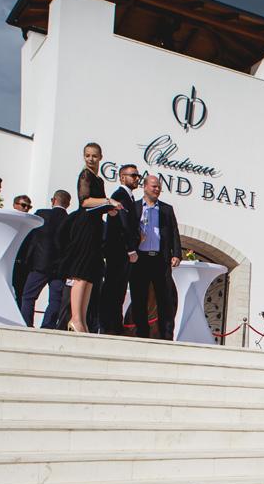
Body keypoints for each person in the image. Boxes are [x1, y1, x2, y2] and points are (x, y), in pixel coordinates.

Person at [59, 143, 121, 333]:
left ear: (100, 157)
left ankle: (82, 320)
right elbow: (85, 201)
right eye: (87, 155)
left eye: (94, 156)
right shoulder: (85, 175)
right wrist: (108, 201)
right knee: (81, 273)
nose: (91, 159)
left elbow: (97, 204)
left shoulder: (98, 179)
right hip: (84, 226)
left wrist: (109, 209)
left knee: (90, 276)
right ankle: (75, 318)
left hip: (95, 227)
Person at [126, 175, 182, 339]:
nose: (157, 189)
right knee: (139, 297)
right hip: (140, 259)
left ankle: (166, 335)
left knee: (164, 298)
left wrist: (176, 254)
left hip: (160, 259)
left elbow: (174, 232)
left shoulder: (166, 209)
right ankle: (141, 332)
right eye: (154, 186)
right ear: (145, 187)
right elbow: (127, 231)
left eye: (158, 187)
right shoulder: (135, 207)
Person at [18, 190, 71, 328]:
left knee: (28, 296)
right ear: (68, 204)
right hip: (60, 268)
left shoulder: (41, 214)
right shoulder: (70, 220)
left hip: (40, 264)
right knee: (55, 300)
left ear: (53, 200)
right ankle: (48, 326)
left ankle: (26, 325)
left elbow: (31, 237)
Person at [99, 164, 141, 335]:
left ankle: (115, 324)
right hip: (118, 250)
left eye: (138, 176)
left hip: (121, 250)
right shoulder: (120, 195)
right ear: (122, 177)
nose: (137, 178)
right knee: (113, 287)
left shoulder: (128, 196)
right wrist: (131, 249)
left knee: (120, 289)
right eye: (133, 175)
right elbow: (123, 223)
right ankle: (108, 325)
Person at [10, 194, 34, 298]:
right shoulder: (9, 220)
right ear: (15, 205)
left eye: (29, 207)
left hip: (23, 263)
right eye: (23, 205)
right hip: (10, 262)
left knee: (21, 293)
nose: (26, 208)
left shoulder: (30, 223)